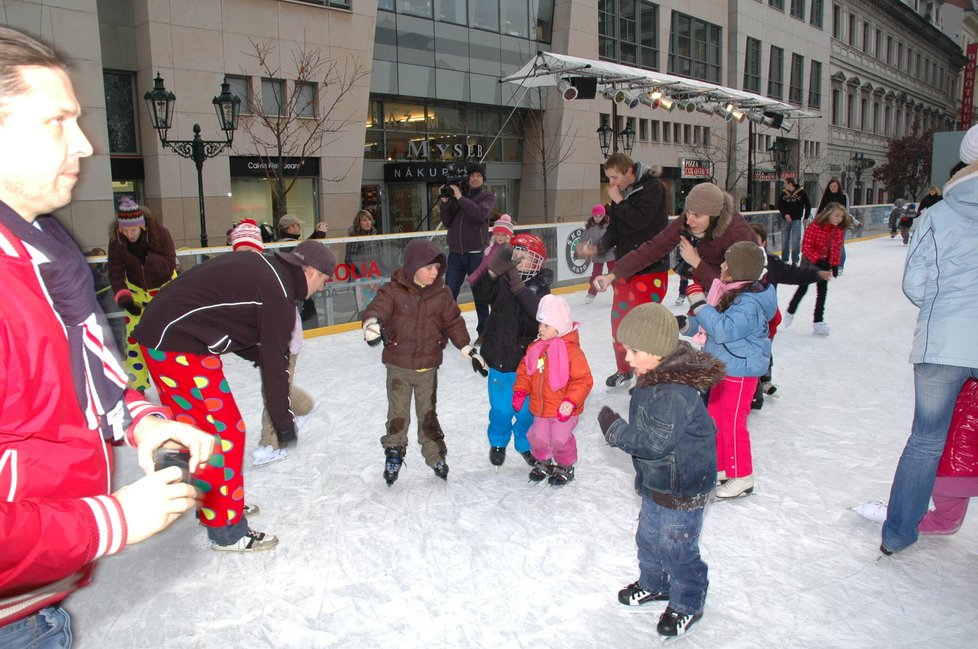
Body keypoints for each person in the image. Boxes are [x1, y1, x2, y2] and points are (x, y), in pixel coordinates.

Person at [0, 25, 213, 643]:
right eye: (57, 122)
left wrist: (138, 420)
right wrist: (109, 521)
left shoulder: (42, 251)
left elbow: (63, 378)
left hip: (35, 605)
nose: (87, 145)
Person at [134, 239, 335, 552]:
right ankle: (226, 529)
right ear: (310, 271)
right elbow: (273, 365)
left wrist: (262, 358)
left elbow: (243, 332)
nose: (321, 288)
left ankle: (213, 505)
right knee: (225, 432)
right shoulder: (279, 293)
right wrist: (283, 422)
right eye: (323, 279)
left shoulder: (271, 272)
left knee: (199, 432)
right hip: (176, 345)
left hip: (173, 339)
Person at [597, 303, 724, 640]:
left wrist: (615, 431)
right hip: (659, 482)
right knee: (649, 539)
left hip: (682, 488)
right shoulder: (654, 376)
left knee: (678, 550)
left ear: (658, 351)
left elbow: (654, 444)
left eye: (634, 351)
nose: (627, 359)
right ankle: (655, 585)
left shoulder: (672, 393)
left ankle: (688, 603)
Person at [880, 126, 978, 556]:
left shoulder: (936, 215)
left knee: (925, 439)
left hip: (943, 341)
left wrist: (944, 310)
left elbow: (915, 283)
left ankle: (898, 534)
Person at [362, 238, 488, 486]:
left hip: (427, 368)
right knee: (398, 415)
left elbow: (453, 321)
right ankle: (394, 452)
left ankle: (435, 455)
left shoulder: (441, 294)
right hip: (398, 366)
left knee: (427, 416)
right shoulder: (394, 291)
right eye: (429, 267)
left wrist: (466, 348)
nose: (435, 273)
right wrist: (372, 323)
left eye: (437, 268)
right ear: (413, 266)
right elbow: (378, 307)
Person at [678, 242, 777, 499]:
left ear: (738, 270)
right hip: (722, 367)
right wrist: (685, 325)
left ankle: (742, 475)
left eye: (726, 264)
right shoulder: (731, 292)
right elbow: (710, 325)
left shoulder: (750, 303)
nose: (721, 267)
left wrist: (698, 302)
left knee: (732, 424)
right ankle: (723, 467)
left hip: (740, 371)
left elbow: (722, 329)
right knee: (716, 419)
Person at [591, 181, 756, 326]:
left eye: (696, 215)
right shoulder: (688, 221)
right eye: (688, 212)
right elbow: (652, 248)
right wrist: (612, 275)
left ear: (713, 216)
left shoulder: (739, 235)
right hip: (711, 290)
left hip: (742, 305)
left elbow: (735, 289)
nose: (689, 220)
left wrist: (697, 262)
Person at [575, 153, 669, 390]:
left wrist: (619, 201)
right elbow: (615, 230)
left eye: (615, 177)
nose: (612, 184)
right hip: (625, 269)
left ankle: (647, 375)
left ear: (629, 171)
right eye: (608, 178)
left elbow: (640, 222)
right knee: (619, 323)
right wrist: (597, 247)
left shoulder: (653, 188)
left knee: (644, 327)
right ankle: (625, 369)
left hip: (651, 270)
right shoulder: (621, 198)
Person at [228, 220, 317, 468]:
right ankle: (307, 406)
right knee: (279, 387)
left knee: (273, 390)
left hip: (285, 339)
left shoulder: (270, 273)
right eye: (240, 252)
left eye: (250, 251)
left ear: (259, 250)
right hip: (263, 342)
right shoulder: (236, 277)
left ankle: (272, 442)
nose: (245, 257)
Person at [471, 233, 552, 469]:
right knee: (502, 410)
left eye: (527, 258)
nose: (521, 260)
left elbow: (537, 315)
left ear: (537, 263)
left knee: (527, 411)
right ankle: (498, 441)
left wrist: (518, 285)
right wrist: (492, 273)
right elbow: (480, 294)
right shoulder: (501, 282)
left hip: (526, 364)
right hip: (498, 359)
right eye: (517, 255)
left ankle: (525, 444)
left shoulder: (541, 289)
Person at [747, 222, 830, 410]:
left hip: (765, 319)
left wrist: (816, 274)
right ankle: (752, 388)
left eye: (755, 241)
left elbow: (794, 273)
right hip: (743, 318)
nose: (751, 244)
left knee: (763, 350)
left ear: (764, 244)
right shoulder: (736, 262)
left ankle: (762, 381)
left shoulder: (771, 263)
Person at [513, 295, 594, 486]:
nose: (541, 329)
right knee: (537, 436)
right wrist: (520, 390)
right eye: (540, 324)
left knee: (560, 439)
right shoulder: (535, 348)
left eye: (546, 325)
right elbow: (525, 371)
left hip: (563, 409)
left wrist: (570, 401)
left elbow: (583, 379)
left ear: (559, 327)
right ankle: (544, 461)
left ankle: (565, 466)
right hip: (541, 407)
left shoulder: (572, 352)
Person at [107, 198, 177, 392]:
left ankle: (170, 383)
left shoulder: (161, 235)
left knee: (164, 339)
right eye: (125, 231)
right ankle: (137, 386)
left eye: (133, 230)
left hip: (163, 292)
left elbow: (169, 263)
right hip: (135, 293)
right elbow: (115, 271)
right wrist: (124, 297)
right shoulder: (117, 241)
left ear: (142, 226)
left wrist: (145, 258)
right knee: (134, 342)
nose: (129, 234)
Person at [439, 162, 496, 338]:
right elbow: (448, 222)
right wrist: (445, 202)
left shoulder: (487, 197)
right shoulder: (458, 197)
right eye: (472, 175)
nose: (475, 178)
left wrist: (460, 198)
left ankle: (484, 332)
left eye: (478, 175)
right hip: (456, 254)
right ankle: (446, 331)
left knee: (480, 296)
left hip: (476, 255)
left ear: (483, 179)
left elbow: (480, 214)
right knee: (449, 295)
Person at [783, 202, 853, 336]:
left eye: (841, 217)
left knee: (822, 292)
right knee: (802, 288)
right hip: (810, 261)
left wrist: (834, 265)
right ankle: (790, 312)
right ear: (828, 214)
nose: (839, 219)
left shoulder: (838, 230)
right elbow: (806, 246)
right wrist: (817, 260)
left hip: (825, 263)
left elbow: (836, 249)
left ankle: (818, 322)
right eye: (836, 216)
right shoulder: (815, 225)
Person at [279, 212, 328, 323]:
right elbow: (310, 253)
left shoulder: (285, 243)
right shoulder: (287, 245)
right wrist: (319, 235)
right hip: (298, 292)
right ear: (290, 228)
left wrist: (316, 233)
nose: (300, 228)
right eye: (298, 225)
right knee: (309, 320)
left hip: (294, 290)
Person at [580, 204, 615, 305]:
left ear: (604, 216)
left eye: (600, 216)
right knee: (595, 275)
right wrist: (581, 249)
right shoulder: (590, 227)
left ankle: (618, 294)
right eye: (596, 216)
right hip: (597, 253)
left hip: (610, 252)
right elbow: (583, 240)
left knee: (613, 274)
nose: (598, 218)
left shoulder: (609, 224)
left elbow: (615, 236)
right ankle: (592, 293)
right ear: (593, 216)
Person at [817, 177, 853, 273]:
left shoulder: (843, 197)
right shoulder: (826, 197)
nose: (833, 188)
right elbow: (820, 210)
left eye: (835, 186)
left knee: (839, 245)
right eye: (831, 186)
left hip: (841, 224)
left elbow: (846, 211)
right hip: (829, 225)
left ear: (838, 187)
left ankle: (840, 266)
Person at [777, 178, 811, 265]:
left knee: (796, 240)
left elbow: (808, 205)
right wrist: (785, 214)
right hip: (785, 221)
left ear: (790, 184)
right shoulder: (783, 193)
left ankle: (795, 260)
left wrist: (806, 217)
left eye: (785, 183)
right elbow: (780, 205)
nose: (784, 185)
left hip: (796, 220)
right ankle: (785, 259)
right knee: (784, 240)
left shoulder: (801, 193)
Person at [344, 208, 383, 278]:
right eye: (364, 220)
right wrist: (361, 273)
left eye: (369, 220)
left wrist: (383, 271)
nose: (368, 223)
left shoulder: (374, 236)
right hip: (360, 277)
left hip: (375, 274)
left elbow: (380, 257)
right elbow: (349, 261)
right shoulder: (355, 238)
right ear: (358, 223)